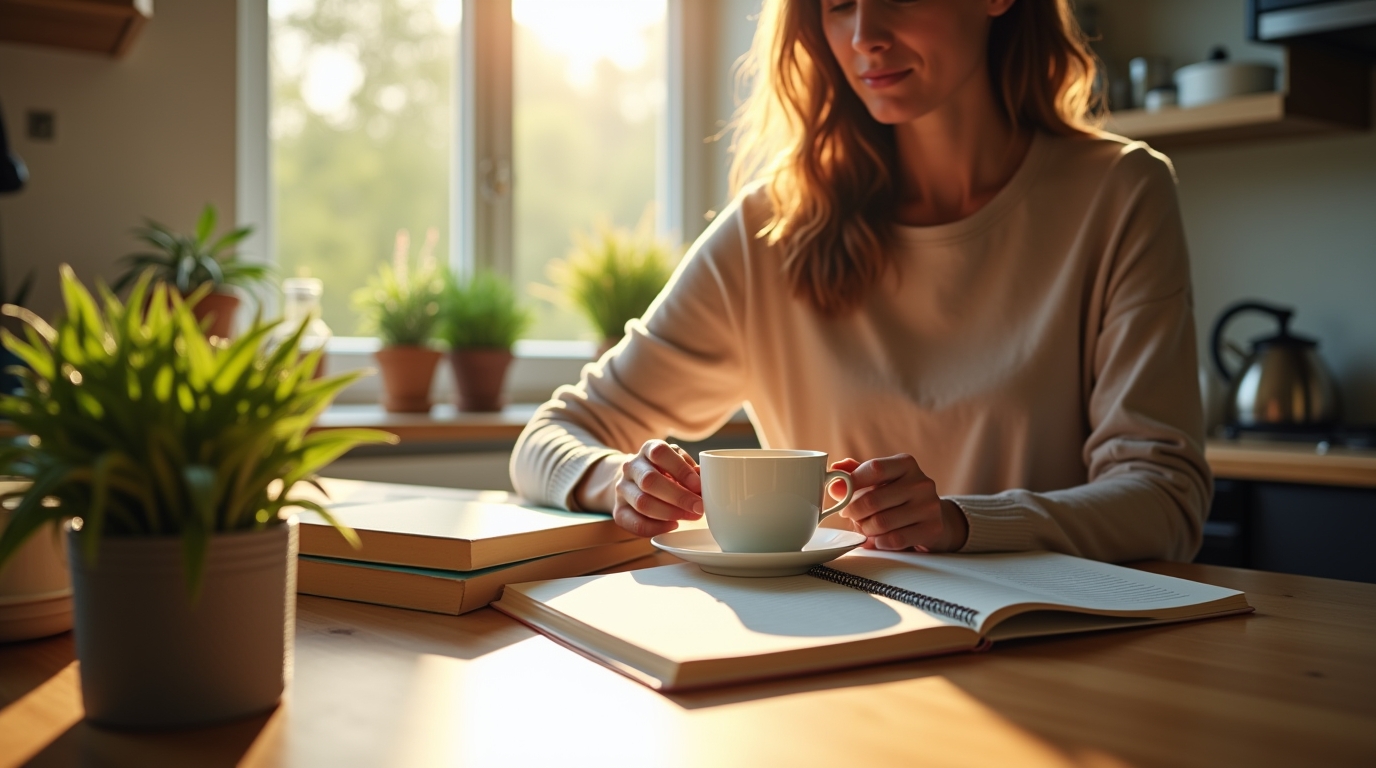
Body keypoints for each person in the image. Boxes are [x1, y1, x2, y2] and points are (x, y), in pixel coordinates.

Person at [510, 0, 1211, 563]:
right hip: (832, 657)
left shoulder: (1121, 193)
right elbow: (549, 438)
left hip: (1049, 657)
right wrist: (622, 481)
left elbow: (1165, 500)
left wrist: (963, 523)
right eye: (838, 3)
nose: (864, 34)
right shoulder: (770, 228)